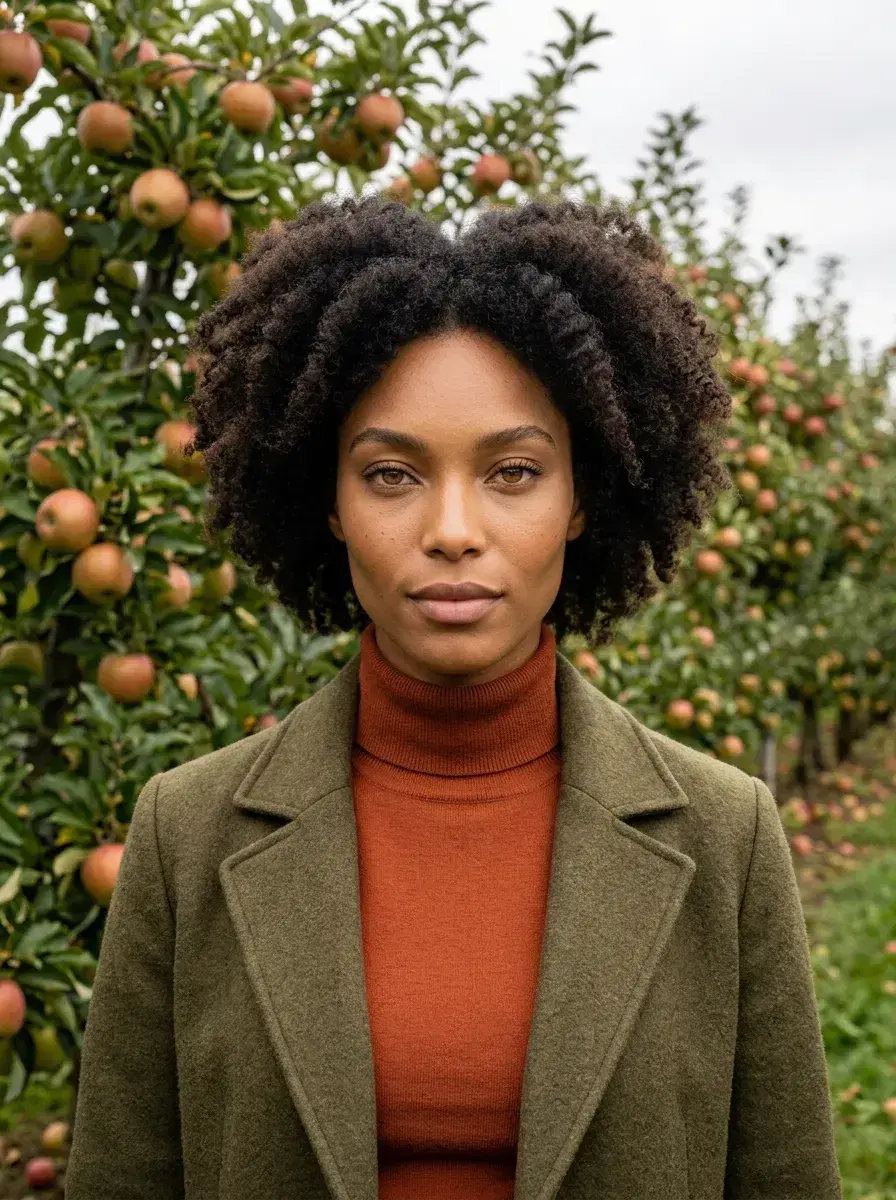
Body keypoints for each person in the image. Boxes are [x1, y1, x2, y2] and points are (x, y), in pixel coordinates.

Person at [65, 197, 842, 1199]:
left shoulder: (723, 839)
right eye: (390, 474)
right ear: (328, 504)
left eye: (513, 471)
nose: (451, 528)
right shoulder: (187, 838)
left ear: (581, 499)